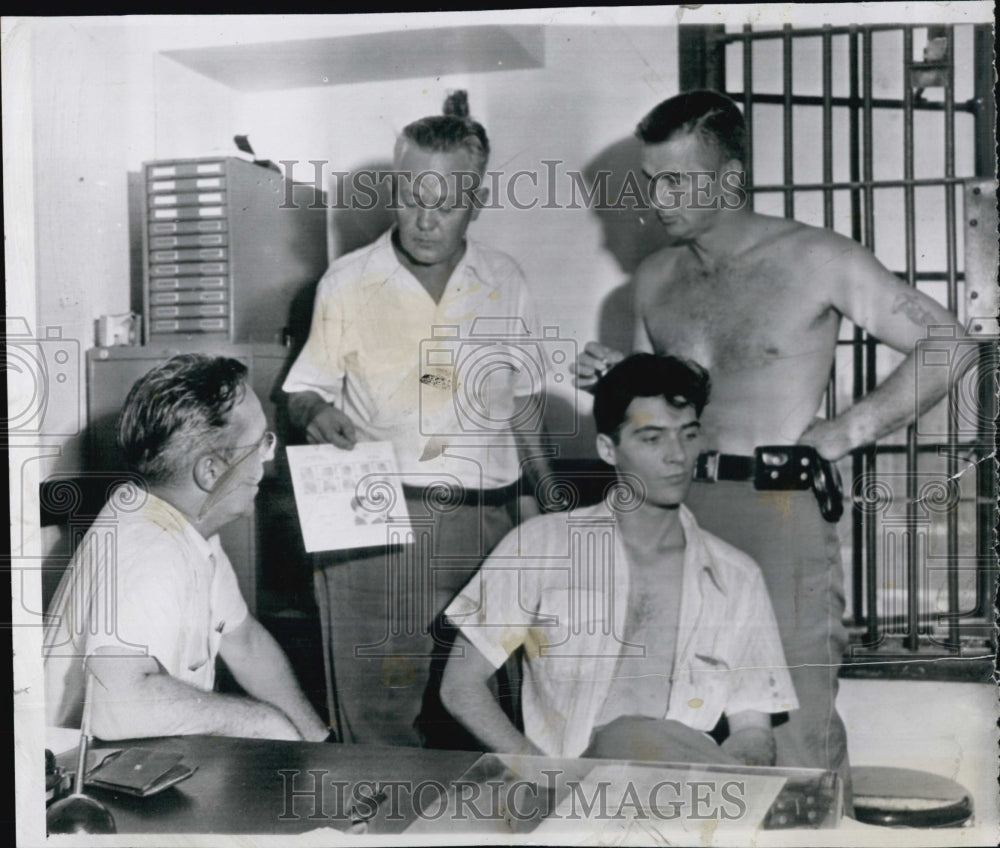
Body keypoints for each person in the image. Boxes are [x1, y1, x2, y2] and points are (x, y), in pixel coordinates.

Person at [573, 91, 961, 794]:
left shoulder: (815, 257)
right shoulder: (654, 279)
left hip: (778, 507)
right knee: (676, 704)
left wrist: (851, 429)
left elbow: (949, 343)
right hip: (674, 509)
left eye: (675, 180)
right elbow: (657, 408)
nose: (655, 197)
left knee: (791, 721)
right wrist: (614, 381)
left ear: (728, 180)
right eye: (650, 179)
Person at [283, 90, 548, 747]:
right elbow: (302, 390)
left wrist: (551, 510)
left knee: (495, 711)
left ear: (477, 201)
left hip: (489, 523)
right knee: (376, 719)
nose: (427, 221)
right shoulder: (345, 281)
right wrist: (314, 412)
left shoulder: (505, 278)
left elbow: (523, 403)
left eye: (448, 203)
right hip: (377, 519)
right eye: (412, 198)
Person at [440, 353, 798, 764]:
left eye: (689, 434)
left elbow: (752, 731)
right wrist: (541, 775)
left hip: (685, 791)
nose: (677, 455)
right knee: (621, 741)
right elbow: (460, 688)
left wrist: (732, 785)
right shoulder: (539, 546)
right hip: (572, 790)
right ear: (608, 449)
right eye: (653, 438)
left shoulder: (737, 577)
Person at [44, 354, 329, 742]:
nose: (268, 458)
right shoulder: (150, 549)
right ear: (211, 472)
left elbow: (244, 641)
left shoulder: (186, 526)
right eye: (261, 444)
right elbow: (115, 710)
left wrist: (315, 740)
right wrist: (264, 722)